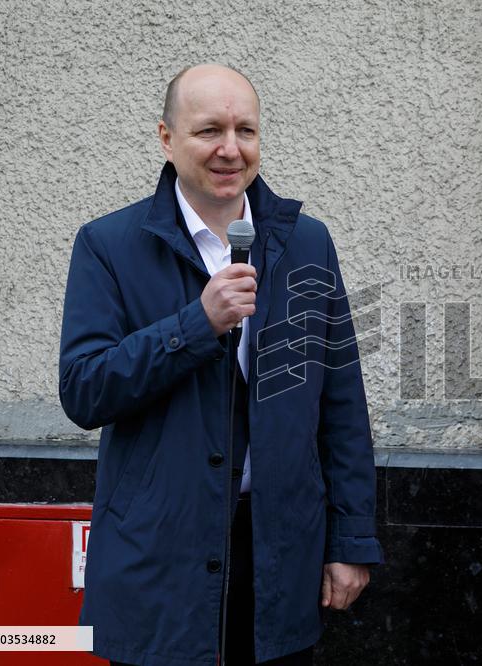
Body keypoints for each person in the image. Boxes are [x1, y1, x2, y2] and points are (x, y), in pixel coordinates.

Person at [59, 63, 382, 666]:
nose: (230, 149)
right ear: (166, 138)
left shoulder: (306, 242)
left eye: (246, 131)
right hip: (159, 560)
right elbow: (83, 389)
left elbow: (341, 402)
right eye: (209, 130)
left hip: (279, 554)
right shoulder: (109, 245)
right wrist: (195, 324)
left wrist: (351, 539)